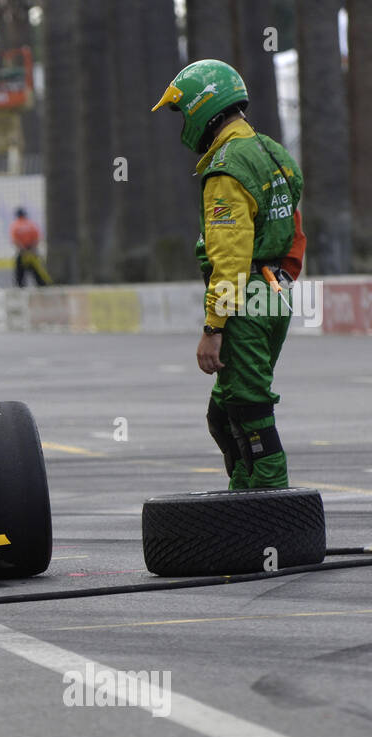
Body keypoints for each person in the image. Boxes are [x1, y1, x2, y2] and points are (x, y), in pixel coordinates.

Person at [152, 58, 305, 489]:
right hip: (275, 293)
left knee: (250, 410)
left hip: (244, 300)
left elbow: (230, 259)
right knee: (224, 413)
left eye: (183, 112)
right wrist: (280, 284)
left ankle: (272, 505)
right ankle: (243, 498)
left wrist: (213, 327)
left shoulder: (226, 168)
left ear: (202, 107)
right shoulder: (274, 153)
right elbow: (295, 230)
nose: (183, 122)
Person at [10, 208, 52, 287]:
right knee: (38, 272)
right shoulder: (32, 224)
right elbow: (37, 238)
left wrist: (23, 250)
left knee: (20, 275)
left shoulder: (15, 225)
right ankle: (43, 286)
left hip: (22, 253)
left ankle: (20, 288)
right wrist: (32, 249)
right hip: (32, 252)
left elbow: (15, 241)